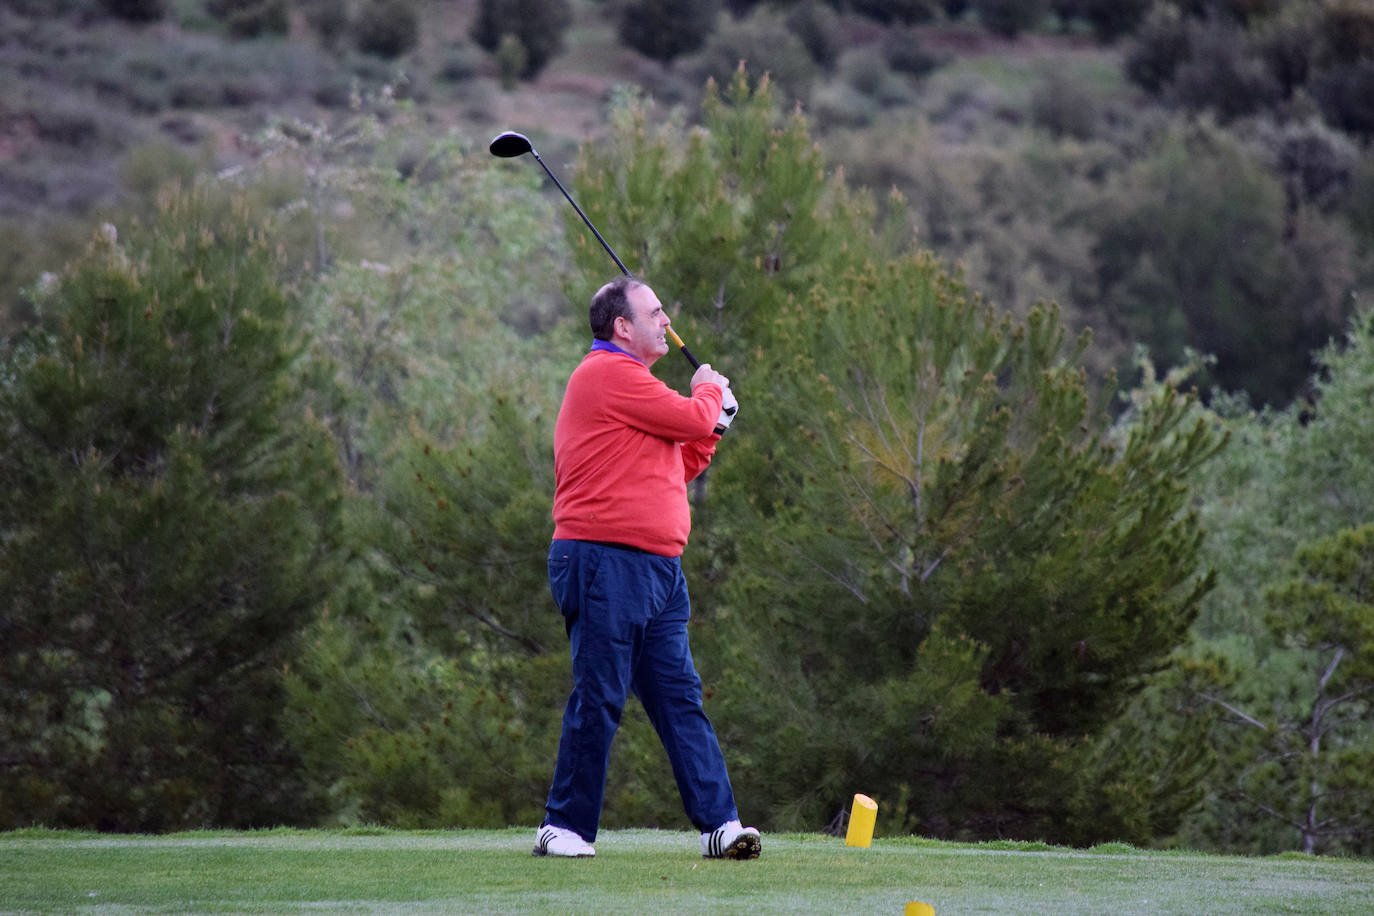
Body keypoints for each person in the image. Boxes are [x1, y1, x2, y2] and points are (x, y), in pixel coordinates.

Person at [532, 276, 761, 861]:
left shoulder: (635, 391)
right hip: (605, 561)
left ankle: (720, 826)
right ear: (622, 328)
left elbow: (676, 463)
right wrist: (708, 391)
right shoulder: (608, 375)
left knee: (680, 698)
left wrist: (716, 425)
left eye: (665, 312)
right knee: (602, 694)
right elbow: (689, 420)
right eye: (655, 312)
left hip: (657, 570)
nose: (666, 321)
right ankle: (563, 827)